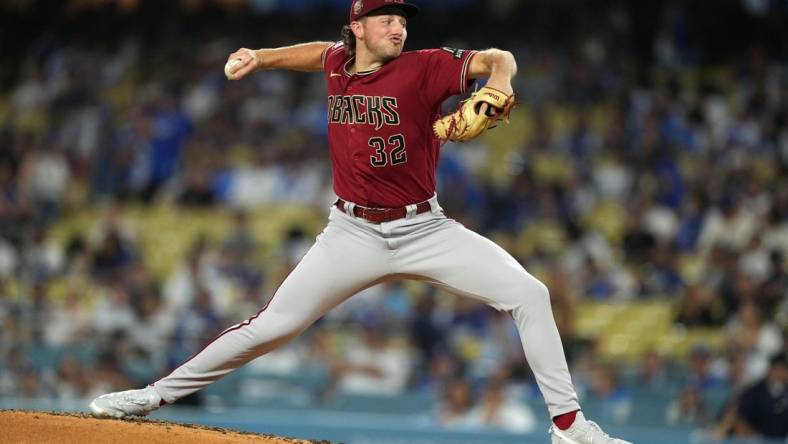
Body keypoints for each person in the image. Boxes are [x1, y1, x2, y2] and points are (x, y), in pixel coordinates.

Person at [89, 1, 631, 443]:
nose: (398, 27)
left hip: (425, 229)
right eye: (386, 19)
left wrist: (503, 80)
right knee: (273, 326)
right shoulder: (336, 62)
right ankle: (154, 395)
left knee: (530, 294)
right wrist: (263, 56)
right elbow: (317, 54)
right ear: (358, 28)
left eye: (402, 19)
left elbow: (498, 57)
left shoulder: (422, 67)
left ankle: (569, 428)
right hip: (351, 232)